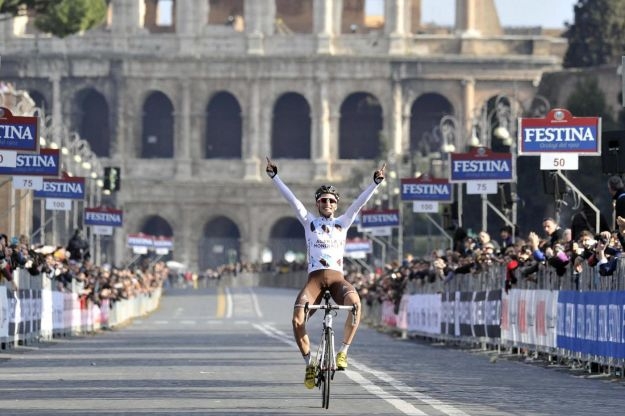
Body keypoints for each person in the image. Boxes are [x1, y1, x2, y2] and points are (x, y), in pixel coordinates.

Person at [265, 156, 385, 389]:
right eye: (323, 200)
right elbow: (292, 200)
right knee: (297, 319)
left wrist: (375, 183)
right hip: (315, 282)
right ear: (317, 204)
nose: (327, 203)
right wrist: (275, 177)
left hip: (338, 280)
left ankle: (343, 352)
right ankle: (309, 364)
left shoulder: (343, 222)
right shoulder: (308, 221)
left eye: (331, 200)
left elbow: (359, 204)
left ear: (336, 205)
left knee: (356, 305)